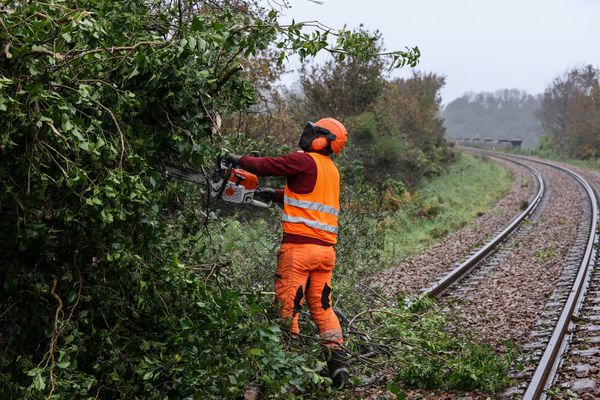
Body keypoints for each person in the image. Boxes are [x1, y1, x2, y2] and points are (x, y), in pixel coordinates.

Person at [227, 117, 349, 388]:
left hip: (299, 251)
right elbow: (308, 197)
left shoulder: (305, 161)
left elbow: (270, 165)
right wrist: (276, 195)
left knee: (287, 308)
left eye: (316, 133)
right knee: (322, 307)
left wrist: (239, 159)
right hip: (326, 253)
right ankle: (338, 363)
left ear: (321, 140)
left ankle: (286, 370)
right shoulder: (330, 170)